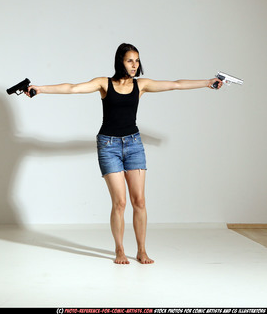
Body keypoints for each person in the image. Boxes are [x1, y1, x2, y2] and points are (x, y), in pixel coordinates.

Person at [25, 43, 222, 264]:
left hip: (134, 145)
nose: (135, 65)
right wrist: (40, 88)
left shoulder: (142, 85)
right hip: (108, 146)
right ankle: (119, 249)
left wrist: (207, 83)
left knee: (140, 201)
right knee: (120, 203)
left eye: (137, 60)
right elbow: (72, 88)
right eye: (130, 60)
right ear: (121, 61)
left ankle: (141, 250)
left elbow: (175, 84)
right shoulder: (104, 84)